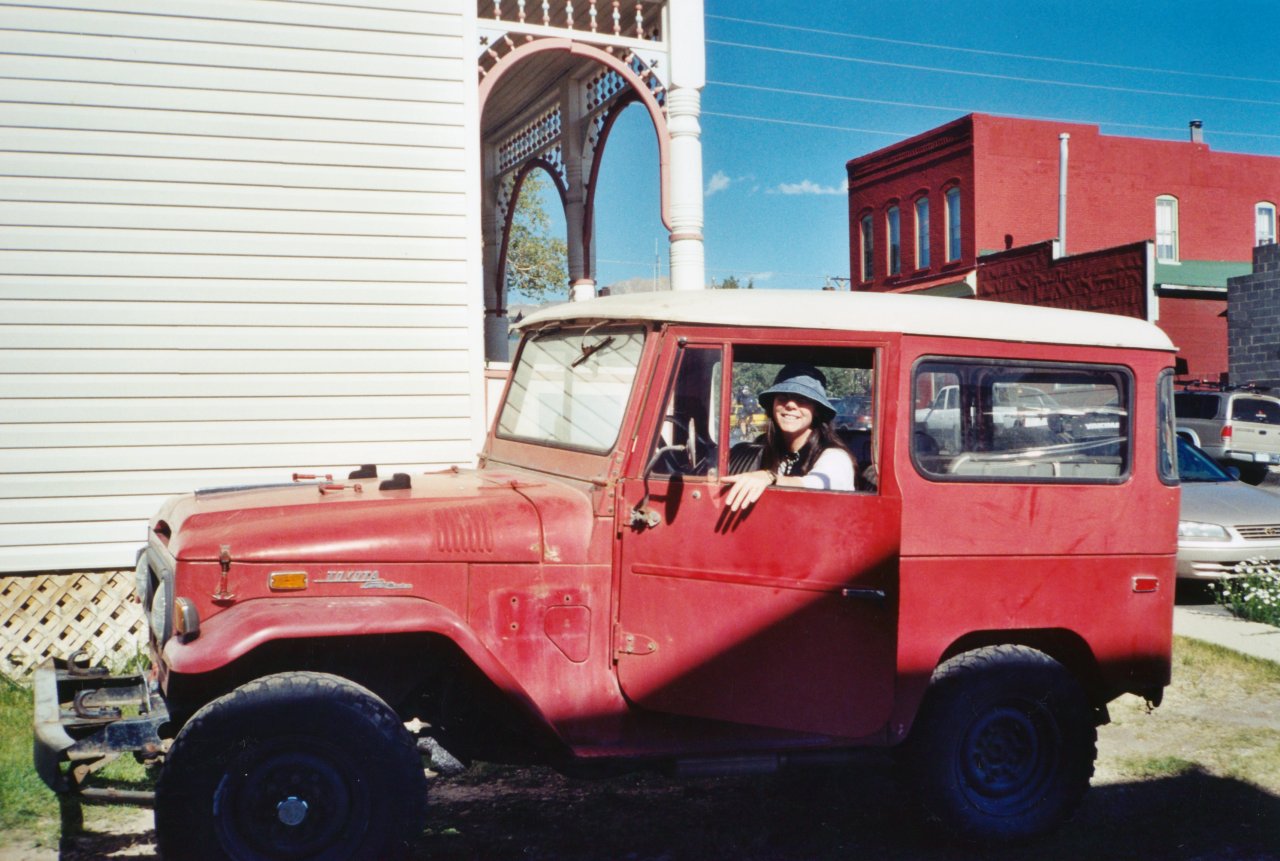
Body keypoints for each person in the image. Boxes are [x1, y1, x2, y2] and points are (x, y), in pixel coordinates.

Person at [723, 363, 856, 511]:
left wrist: (769, 477)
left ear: (817, 410)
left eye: (803, 399)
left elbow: (816, 484)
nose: (791, 405)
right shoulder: (763, 447)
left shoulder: (835, 456)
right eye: (782, 397)